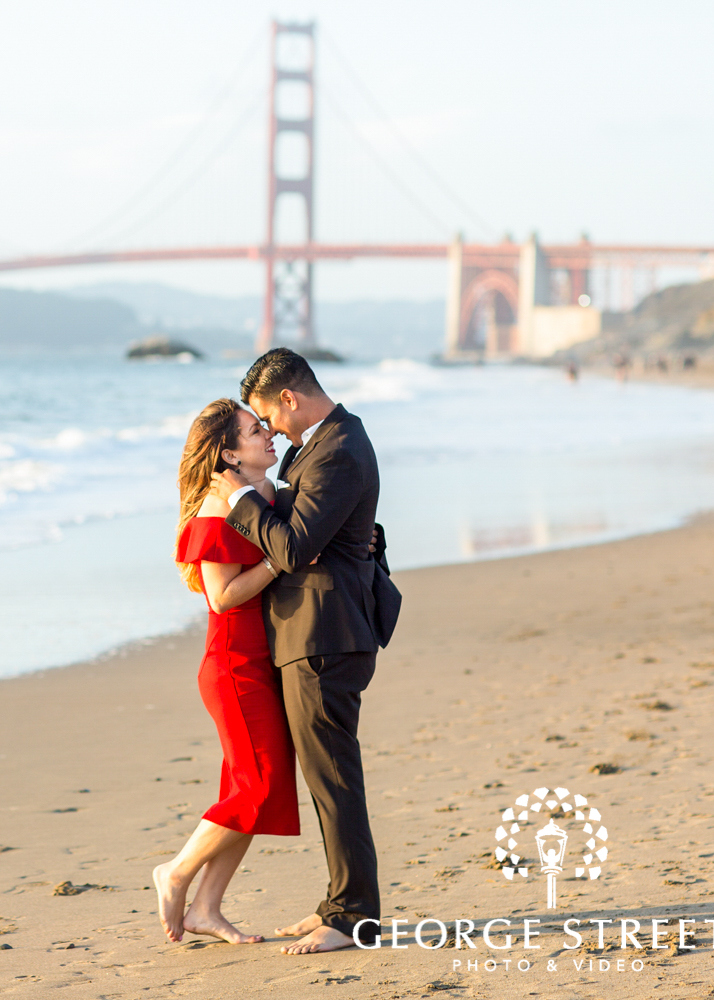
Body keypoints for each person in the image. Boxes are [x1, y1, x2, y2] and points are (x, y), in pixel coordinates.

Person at [215, 348, 400, 955]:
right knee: (328, 780)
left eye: (268, 416)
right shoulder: (318, 447)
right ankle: (339, 904)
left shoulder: (340, 447)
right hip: (316, 632)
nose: (268, 430)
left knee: (335, 780)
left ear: (290, 398)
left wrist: (241, 497)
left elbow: (293, 549)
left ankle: (354, 919)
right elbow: (327, 531)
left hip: (326, 636)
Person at [153, 398, 300, 944]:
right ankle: (177, 873)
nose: (267, 433)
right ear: (229, 453)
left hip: (262, 663)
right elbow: (223, 595)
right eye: (252, 429)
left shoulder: (262, 495)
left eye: (263, 425)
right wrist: (277, 558)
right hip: (234, 669)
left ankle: (206, 909)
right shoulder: (218, 510)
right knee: (257, 790)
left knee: (252, 788)